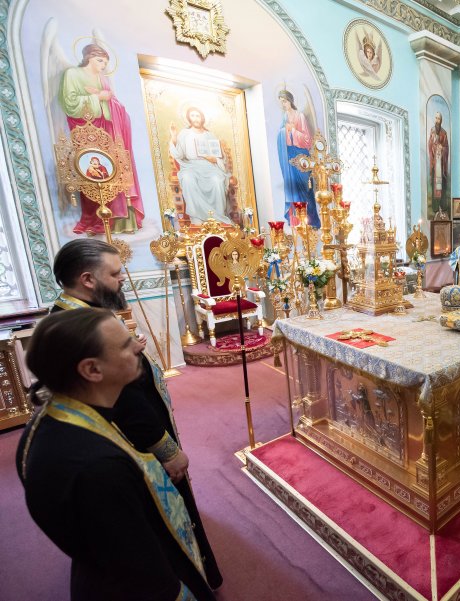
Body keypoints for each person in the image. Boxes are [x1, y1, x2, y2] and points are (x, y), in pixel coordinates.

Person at [50, 238, 223, 588]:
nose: (122, 280)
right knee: (157, 522)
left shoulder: (71, 313)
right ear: (87, 279)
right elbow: (125, 400)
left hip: (124, 434)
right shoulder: (84, 328)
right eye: (115, 274)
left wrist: (129, 351)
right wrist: (167, 451)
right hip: (135, 445)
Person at [16, 308, 216, 600]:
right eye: (125, 344)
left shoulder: (55, 415)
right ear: (92, 370)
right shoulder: (97, 469)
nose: (138, 347)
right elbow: (143, 575)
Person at [59, 43, 144, 234]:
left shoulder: (101, 79)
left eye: (105, 63)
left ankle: (114, 219)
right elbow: (69, 102)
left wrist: (107, 98)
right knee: (90, 174)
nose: (103, 66)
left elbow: (114, 103)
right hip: (86, 131)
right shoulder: (73, 74)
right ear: (89, 58)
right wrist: (97, 98)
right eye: (100, 61)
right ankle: (93, 220)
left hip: (108, 132)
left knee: (110, 173)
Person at [169, 106, 231, 224]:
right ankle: (196, 217)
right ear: (189, 118)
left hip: (209, 166)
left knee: (217, 180)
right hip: (190, 166)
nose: (195, 118)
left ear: (202, 118)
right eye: (193, 116)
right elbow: (178, 154)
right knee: (187, 178)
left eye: (198, 116)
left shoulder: (209, 135)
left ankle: (218, 218)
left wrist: (214, 159)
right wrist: (174, 137)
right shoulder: (184, 134)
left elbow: (220, 156)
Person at [276, 89, 317, 227]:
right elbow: (280, 135)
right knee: (293, 188)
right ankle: (298, 222)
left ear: (290, 101)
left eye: (284, 101)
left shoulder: (300, 116)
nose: (283, 104)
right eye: (281, 102)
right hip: (290, 158)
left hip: (301, 157)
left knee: (305, 188)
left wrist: (292, 130)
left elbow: (307, 140)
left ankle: (310, 222)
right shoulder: (284, 118)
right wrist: (285, 130)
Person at [428, 112, 449, 218]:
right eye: (436, 118)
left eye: (439, 118)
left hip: (441, 164)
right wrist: (434, 148)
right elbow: (430, 145)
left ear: (441, 120)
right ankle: (435, 207)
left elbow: (446, 147)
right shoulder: (432, 131)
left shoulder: (444, 133)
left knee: (442, 185)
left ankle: (443, 205)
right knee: (435, 184)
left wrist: (442, 148)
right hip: (435, 163)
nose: (437, 120)